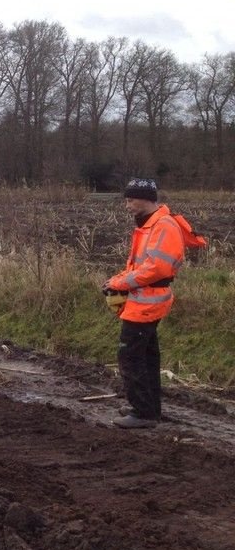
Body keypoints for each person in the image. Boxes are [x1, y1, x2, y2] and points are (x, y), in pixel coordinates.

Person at [102, 178, 197, 429]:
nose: (127, 206)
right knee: (146, 357)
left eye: (130, 200)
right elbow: (140, 267)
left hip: (147, 303)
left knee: (131, 357)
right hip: (143, 301)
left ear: (146, 198)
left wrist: (120, 284)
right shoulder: (151, 224)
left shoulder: (162, 226)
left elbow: (155, 268)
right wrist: (116, 280)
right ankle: (149, 408)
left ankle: (143, 412)